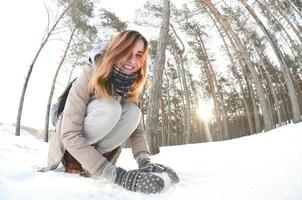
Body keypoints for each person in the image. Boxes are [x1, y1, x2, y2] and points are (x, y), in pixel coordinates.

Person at [41, 30, 179, 194]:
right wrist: (118, 176)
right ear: (115, 50)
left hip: (98, 153)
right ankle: (75, 162)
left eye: (138, 55)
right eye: (127, 52)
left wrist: (144, 161)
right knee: (111, 108)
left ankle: (93, 164)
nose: (132, 60)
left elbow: (137, 130)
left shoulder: (132, 82)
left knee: (134, 113)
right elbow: (69, 135)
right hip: (69, 146)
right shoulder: (90, 72)